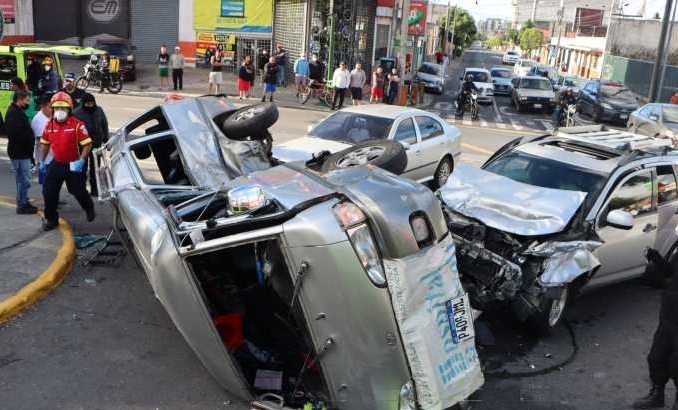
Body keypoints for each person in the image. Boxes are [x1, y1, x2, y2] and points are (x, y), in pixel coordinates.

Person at [38, 91, 95, 231]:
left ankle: (89, 207)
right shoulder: (49, 125)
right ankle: (52, 219)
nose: (60, 111)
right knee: (48, 191)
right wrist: (42, 161)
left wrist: (81, 161)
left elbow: (87, 145)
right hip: (57, 162)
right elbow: (45, 144)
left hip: (74, 163)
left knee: (77, 190)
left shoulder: (78, 125)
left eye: (63, 108)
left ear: (69, 109)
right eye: (57, 108)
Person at [632, 248, 678, 410]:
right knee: (657, 357)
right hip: (668, 315)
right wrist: (655, 257)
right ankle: (657, 395)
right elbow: (669, 272)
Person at [6, 90, 37, 214]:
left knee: (22, 180)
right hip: (20, 153)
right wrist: (28, 142)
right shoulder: (14, 113)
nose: (28, 103)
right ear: (19, 99)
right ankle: (22, 205)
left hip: (22, 152)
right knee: (24, 180)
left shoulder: (17, 112)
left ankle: (23, 200)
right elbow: (15, 135)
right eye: (27, 100)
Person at [73, 93, 109, 197]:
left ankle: (95, 189)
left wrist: (105, 138)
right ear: (83, 103)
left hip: (96, 144)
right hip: (82, 146)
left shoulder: (99, 110)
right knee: (82, 169)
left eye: (91, 103)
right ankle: (82, 190)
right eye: (87, 104)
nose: (90, 106)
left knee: (95, 169)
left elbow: (104, 124)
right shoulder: (76, 113)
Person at [32, 94, 53, 185]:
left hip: (52, 157)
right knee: (46, 185)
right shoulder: (39, 120)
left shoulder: (49, 117)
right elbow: (42, 142)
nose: (53, 110)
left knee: (52, 185)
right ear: (42, 106)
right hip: (45, 159)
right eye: (50, 107)